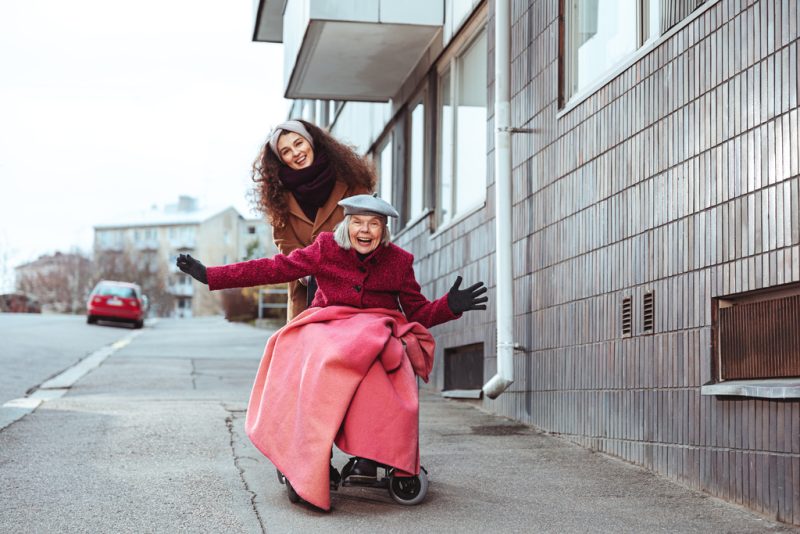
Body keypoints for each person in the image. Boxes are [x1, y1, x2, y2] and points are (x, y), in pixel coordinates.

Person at [177, 194, 487, 510]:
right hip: (327, 324)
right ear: (347, 225)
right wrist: (211, 275)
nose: (365, 230)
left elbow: (417, 312)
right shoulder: (326, 248)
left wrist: (450, 306)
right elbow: (275, 268)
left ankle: (372, 456)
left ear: (384, 230)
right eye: (358, 222)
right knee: (317, 358)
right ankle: (310, 459)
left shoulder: (399, 261)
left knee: (387, 364)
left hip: (375, 330)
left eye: (374, 224)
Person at [252, 119, 375, 320]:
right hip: (306, 295)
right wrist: (305, 271)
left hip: (353, 291)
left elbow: (367, 227)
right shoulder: (280, 197)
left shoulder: (350, 180)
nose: (296, 153)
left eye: (298, 143)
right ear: (282, 160)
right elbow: (285, 242)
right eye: (286, 151)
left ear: (310, 141)